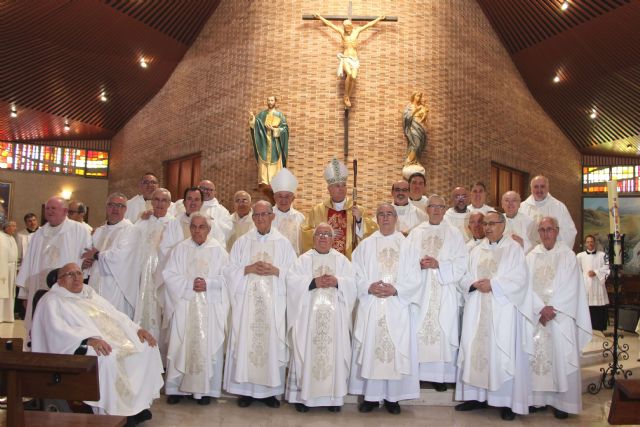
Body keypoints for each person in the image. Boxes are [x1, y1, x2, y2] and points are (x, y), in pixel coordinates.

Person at [31, 263, 163, 423]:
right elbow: (56, 330)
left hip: (114, 340)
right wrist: (88, 339)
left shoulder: (89, 294)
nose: (76, 278)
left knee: (147, 348)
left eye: (79, 273)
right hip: (75, 346)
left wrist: (138, 329)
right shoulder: (51, 300)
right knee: (108, 357)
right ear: (59, 281)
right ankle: (110, 414)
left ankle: (136, 407)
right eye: (70, 274)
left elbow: (117, 315)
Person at [455, 211, 534, 421]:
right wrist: (473, 284)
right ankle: (475, 397)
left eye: (492, 223)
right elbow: (463, 276)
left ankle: (506, 401)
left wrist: (494, 284)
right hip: (477, 308)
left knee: (501, 350)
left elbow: (520, 279)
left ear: (503, 225)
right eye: (485, 224)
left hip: (503, 309)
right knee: (475, 350)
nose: (487, 227)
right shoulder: (475, 250)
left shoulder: (513, 249)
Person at [223, 201, 296, 408]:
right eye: (257, 215)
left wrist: (277, 271)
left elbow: (294, 274)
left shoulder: (283, 244)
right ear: (253, 218)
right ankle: (245, 391)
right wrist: (247, 269)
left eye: (265, 214)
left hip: (273, 306)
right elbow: (228, 271)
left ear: (273, 217)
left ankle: (270, 393)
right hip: (247, 307)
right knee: (247, 342)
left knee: (271, 343)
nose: (261, 218)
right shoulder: (242, 242)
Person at [349, 204, 421, 414]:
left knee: (394, 350)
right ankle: (371, 398)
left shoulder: (407, 245)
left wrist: (396, 289)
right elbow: (355, 273)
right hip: (372, 304)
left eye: (390, 214)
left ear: (396, 218)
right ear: (376, 218)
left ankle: (393, 398)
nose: (386, 217)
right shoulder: (365, 245)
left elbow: (415, 277)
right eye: (381, 214)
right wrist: (367, 287)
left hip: (396, 306)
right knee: (372, 349)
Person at [286, 223, 356, 412]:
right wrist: (312, 282)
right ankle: (304, 398)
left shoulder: (342, 261)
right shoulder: (303, 260)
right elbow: (291, 282)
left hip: (335, 321)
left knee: (333, 354)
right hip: (308, 321)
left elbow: (353, 285)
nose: (323, 237)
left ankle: (333, 400)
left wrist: (338, 281)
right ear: (313, 238)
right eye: (319, 234)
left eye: (327, 234)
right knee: (307, 353)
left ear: (333, 239)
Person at [527, 217, 592, 418]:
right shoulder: (531, 256)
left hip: (560, 317)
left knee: (561, 356)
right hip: (537, 317)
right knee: (536, 358)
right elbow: (524, 286)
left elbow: (572, 287)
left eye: (550, 229)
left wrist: (551, 309)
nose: (546, 234)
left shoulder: (568, 256)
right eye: (542, 230)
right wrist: (539, 308)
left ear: (557, 231)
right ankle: (537, 401)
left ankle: (563, 404)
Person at [163, 213, 230, 406]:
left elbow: (227, 278)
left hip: (209, 306)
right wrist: (188, 284)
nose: (197, 230)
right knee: (181, 343)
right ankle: (176, 389)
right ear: (189, 228)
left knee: (207, 346)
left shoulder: (219, 251)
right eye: (194, 226)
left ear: (209, 230)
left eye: (202, 227)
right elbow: (169, 274)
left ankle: (205, 390)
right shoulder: (180, 249)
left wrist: (208, 283)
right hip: (185, 304)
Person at [404, 194, 467, 392]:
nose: (437, 210)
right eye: (433, 207)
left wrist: (440, 265)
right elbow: (405, 262)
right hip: (421, 289)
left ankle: (440, 377)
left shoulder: (455, 233)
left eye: (441, 207)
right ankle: (420, 375)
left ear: (444, 209)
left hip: (444, 288)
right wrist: (417, 265)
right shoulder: (416, 233)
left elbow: (462, 262)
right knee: (419, 329)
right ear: (427, 209)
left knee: (442, 328)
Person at [17, 196, 91, 335]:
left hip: (66, 288)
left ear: (65, 211)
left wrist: (85, 266)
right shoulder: (39, 234)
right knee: (39, 327)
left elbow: (86, 258)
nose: (49, 211)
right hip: (39, 288)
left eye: (53, 208)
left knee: (63, 326)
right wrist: (25, 294)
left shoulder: (79, 230)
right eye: (47, 208)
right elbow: (28, 264)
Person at [301, 158, 377, 259]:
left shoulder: (358, 210)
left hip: (349, 261)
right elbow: (305, 234)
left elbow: (373, 234)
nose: (341, 189)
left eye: (344, 185)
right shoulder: (317, 210)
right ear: (329, 189)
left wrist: (359, 221)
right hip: (323, 260)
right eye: (337, 186)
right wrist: (325, 233)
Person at [82, 193, 141, 319]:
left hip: (117, 286)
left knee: (114, 324)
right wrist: (87, 263)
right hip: (95, 283)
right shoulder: (99, 231)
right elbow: (89, 254)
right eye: (112, 205)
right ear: (106, 207)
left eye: (120, 206)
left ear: (125, 209)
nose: (115, 209)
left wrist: (97, 255)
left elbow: (121, 257)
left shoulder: (130, 230)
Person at [313, 13, 386, 108]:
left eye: (347, 26)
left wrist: (379, 18)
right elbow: (330, 25)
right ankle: (345, 95)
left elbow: (369, 25)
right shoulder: (342, 33)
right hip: (346, 58)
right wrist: (320, 17)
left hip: (355, 59)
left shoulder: (357, 31)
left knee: (354, 77)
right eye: (344, 26)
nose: (346, 28)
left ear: (351, 25)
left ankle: (348, 96)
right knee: (349, 74)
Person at [133, 188, 174, 351]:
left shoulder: (173, 223)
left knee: (159, 312)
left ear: (170, 204)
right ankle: (139, 348)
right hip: (141, 273)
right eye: (156, 199)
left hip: (161, 276)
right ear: (151, 202)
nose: (159, 203)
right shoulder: (142, 222)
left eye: (164, 200)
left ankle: (158, 352)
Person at [519, 175, 577, 249]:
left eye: (542, 186)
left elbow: (569, 232)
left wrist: (553, 248)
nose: (539, 190)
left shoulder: (559, 207)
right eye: (536, 187)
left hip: (552, 253)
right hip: (528, 253)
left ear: (548, 188)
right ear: (531, 189)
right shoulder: (522, 207)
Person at [162, 187, 225, 253]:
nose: (193, 203)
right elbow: (165, 248)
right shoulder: (173, 224)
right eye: (189, 199)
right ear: (184, 202)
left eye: (197, 199)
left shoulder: (210, 224)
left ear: (201, 203)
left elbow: (220, 248)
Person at [249, 96, 289, 189]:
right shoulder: (262, 115)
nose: (270, 102)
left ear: (275, 102)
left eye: (272, 100)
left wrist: (274, 129)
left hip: (275, 143)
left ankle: (275, 180)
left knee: (276, 161)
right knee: (263, 160)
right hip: (264, 142)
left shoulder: (280, 115)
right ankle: (264, 180)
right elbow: (255, 125)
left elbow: (285, 129)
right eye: (268, 100)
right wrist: (252, 118)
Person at [576, 235, 610, 332]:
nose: (590, 243)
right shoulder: (579, 256)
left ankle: (598, 327)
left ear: (594, 243)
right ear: (585, 243)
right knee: (586, 306)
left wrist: (596, 272)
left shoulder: (603, 255)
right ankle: (585, 328)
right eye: (588, 241)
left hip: (598, 284)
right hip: (585, 284)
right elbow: (576, 271)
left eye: (591, 241)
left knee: (598, 306)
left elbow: (607, 268)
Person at [271, 168, 305, 255]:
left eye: (287, 196)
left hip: (294, 261)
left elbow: (303, 243)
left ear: (293, 198)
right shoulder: (268, 216)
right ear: (274, 197)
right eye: (280, 196)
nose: (283, 200)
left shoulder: (300, 218)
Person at [403, 92, 428, 166]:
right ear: (413, 96)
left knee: (419, 144)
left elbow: (424, 118)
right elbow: (406, 117)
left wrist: (425, 113)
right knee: (415, 143)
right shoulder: (409, 107)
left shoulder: (421, 107)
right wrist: (415, 111)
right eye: (417, 96)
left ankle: (415, 160)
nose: (419, 98)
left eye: (420, 96)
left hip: (420, 126)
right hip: (413, 126)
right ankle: (409, 161)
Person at [0, 221, 18, 322]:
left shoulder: (12, 238)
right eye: (13, 226)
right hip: (2, 268)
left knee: (10, 292)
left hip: (11, 268)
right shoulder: (0, 237)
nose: (15, 228)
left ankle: (8, 316)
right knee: (2, 291)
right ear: (6, 227)